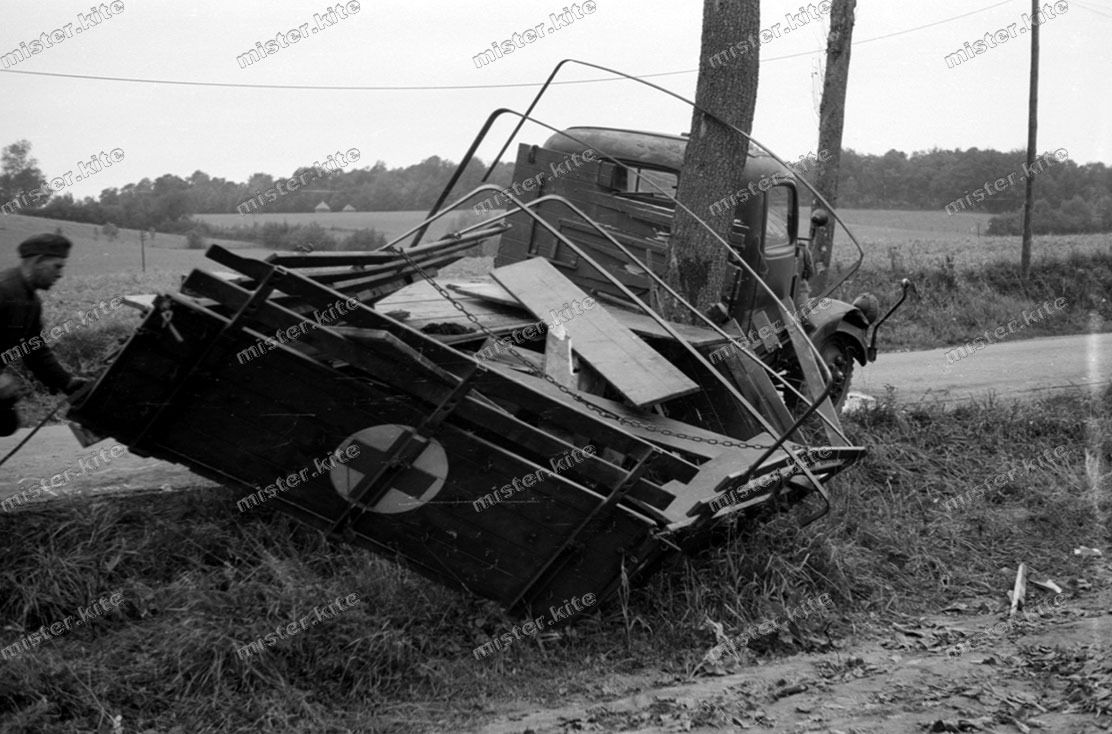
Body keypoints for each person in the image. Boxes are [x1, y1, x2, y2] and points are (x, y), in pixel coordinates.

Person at [0, 233, 89, 437]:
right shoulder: (3, 289)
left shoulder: (31, 302)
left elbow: (35, 351)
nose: (60, 274)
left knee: (6, 422)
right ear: (38, 261)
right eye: (57, 266)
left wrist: (66, 383)